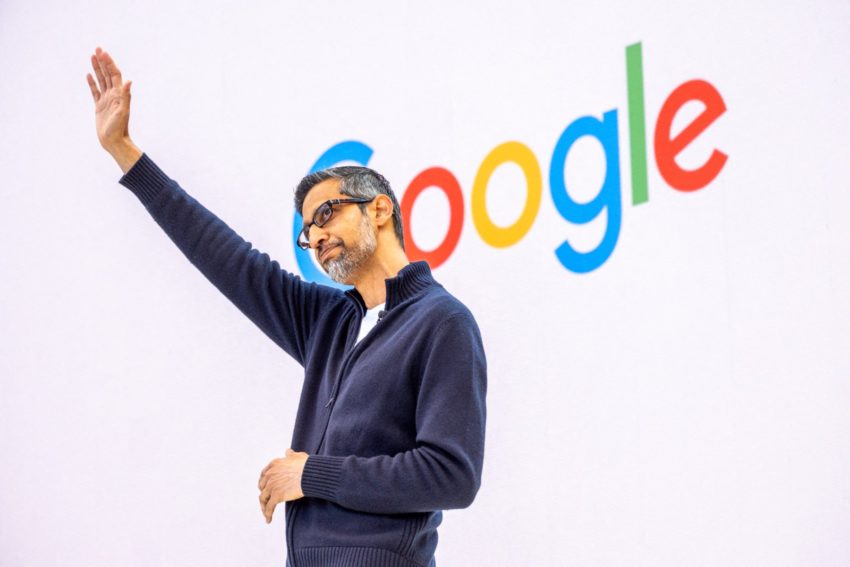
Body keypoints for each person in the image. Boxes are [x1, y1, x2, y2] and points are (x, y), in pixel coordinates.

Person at [86, 47, 487, 567]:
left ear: (380, 209)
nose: (314, 236)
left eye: (326, 214)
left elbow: (451, 475)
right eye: (306, 231)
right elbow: (226, 257)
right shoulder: (328, 323)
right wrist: (124, 152)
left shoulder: (442, 322)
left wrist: (311, 474)